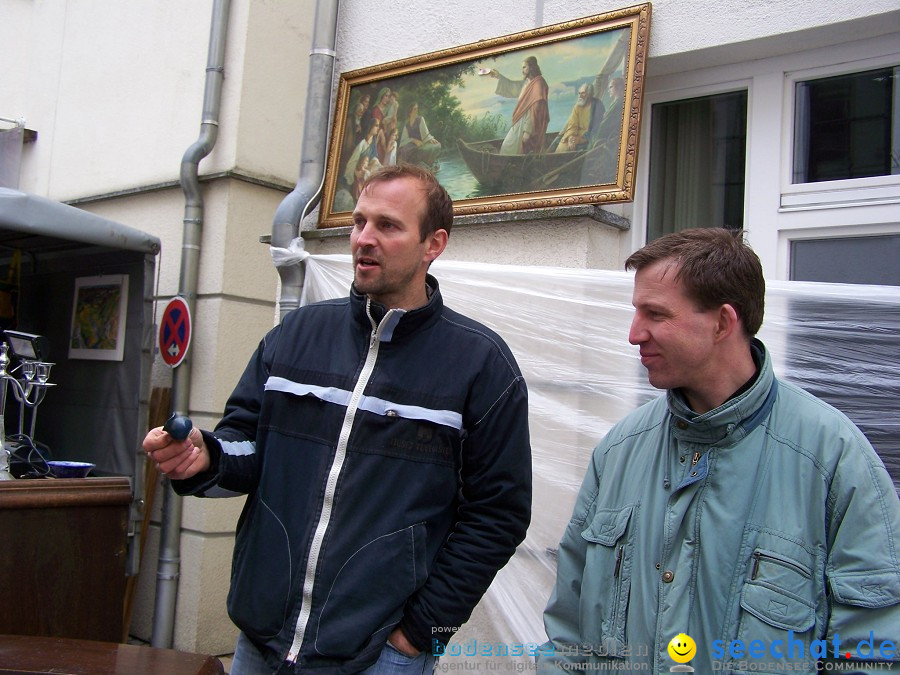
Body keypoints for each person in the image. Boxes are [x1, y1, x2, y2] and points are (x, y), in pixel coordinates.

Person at [143, 164, 533, 674]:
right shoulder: (296, 335)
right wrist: (205, 455)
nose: (364, 239)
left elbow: (498, 515)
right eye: (358, 222)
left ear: (433, 244)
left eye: (387, 226)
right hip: (260, 642)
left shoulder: (481, 365)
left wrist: (420, 636)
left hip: (379, 656)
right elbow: (248, 444)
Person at [537, 228, 900, 673]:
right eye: (636, 312)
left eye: (655, 314)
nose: (634, 334)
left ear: (723, 323)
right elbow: (568, 630)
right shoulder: (619, 451)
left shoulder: (833, 460)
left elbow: (873, 649)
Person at [488, 56, 549, 155]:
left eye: (524, 67)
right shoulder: (527, 82)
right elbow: (513, 87)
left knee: (510, 147)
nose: (522, 70)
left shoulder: (538, 84)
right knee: (509, 147)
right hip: (520, 120)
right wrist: (499, 76)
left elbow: (535, 109)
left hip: (528, 123)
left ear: (532, 67)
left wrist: (528, 131)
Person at [551, 83, 604, 154]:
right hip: (575, 135)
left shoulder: (597, 105)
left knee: (572, 149)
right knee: (562, 146)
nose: (580, 96)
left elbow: (597, 128)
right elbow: (572, 124)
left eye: (583, 93)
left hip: (587, 138)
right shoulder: (578, 106)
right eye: (579, 93)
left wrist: (579, 140)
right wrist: (570, 137)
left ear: (590, 94)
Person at [398, 102, 442, 169]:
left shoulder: (420, 119)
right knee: (404, 150)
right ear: (410, 112)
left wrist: (430, 139)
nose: (417, 111)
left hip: (421, 142)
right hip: (412, 144)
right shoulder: (406, 126)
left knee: (434, 146)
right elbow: (404, 139)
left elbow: (425, 133)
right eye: (415, 109)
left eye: (417, 109)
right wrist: (413, 140)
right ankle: (405, 168)